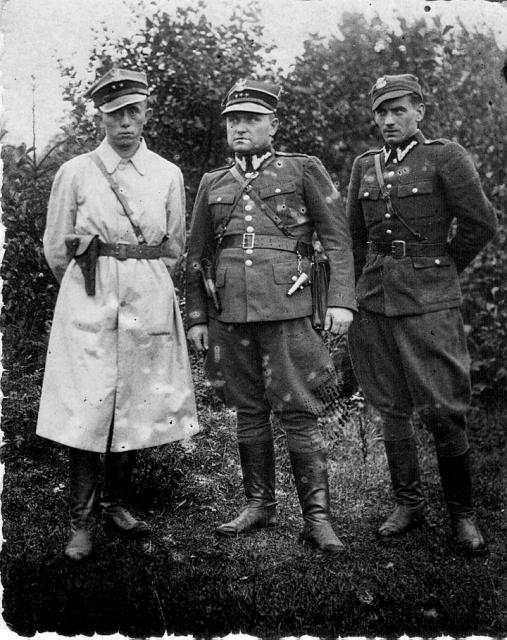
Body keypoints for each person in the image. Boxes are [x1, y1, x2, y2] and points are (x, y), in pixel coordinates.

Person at [185, 79, 356, 554]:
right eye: (233, 121)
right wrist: (197, 316)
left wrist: (341, 300)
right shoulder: (213, 182)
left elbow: (338, 241)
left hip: (288, 306)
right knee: (248, 408)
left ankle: (317, 519)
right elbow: (196, 255)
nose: (240, 128)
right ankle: (258, 504)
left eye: (251, 119)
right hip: (229, 311)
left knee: (299, 407)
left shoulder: (303, 169)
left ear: (273, 125)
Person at [37, 67, 199, 561]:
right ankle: (81, 522)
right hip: (89, 294)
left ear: (147, 113)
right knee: (87, 405)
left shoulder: (167, 173)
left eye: (133, 112)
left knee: (135, 400)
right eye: (115, 114)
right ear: (101, 118)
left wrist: (145, 282)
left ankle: (116, 504)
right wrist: (87, 287)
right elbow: (56, 247)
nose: (125, 123)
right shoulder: (76, 172)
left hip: (146, 294)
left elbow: (174, 244)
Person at [346, 73, 498, 554]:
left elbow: (481, 223)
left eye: (399, 110)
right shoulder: (364, 166)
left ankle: (462, 515)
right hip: (376, 299)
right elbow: (354, 237)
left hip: (430, 301)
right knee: (391, 406)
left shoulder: (444, 157)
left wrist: (443, 266)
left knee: (444, 409)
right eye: (382, 112)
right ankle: (408, 504)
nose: (389, 120)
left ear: (419, 112)